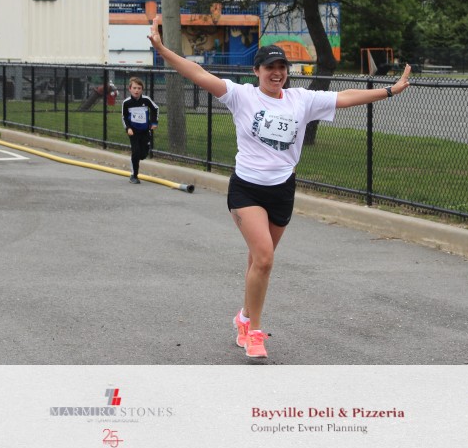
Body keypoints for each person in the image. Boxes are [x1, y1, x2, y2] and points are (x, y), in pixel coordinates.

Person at [148, 28, 412, 358]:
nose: (277, 73)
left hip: (282, 190)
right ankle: (255, 334)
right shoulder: (241, 96)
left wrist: (390, 90)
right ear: (256, 71)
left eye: (282, 67)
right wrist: (163, 50)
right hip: (247, 189)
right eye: (270, 67)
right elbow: (197, 73)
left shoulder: (300, 99)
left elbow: (344, 97)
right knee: (264, 258)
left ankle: (244, 318)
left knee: (257, 260)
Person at [121, 76, 159, 184]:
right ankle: (134, 175)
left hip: (145, 131)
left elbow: (155, 108)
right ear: (130, 89)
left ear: (142, 89)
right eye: (134, 88)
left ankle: (141, 154)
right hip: (133, 132)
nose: (136, 90)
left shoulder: (146, 100)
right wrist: (128, 128)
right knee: (136, 152)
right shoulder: (127, 103)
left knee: (143, 154)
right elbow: (124, 117)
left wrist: (154, 122)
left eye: (139, 88)